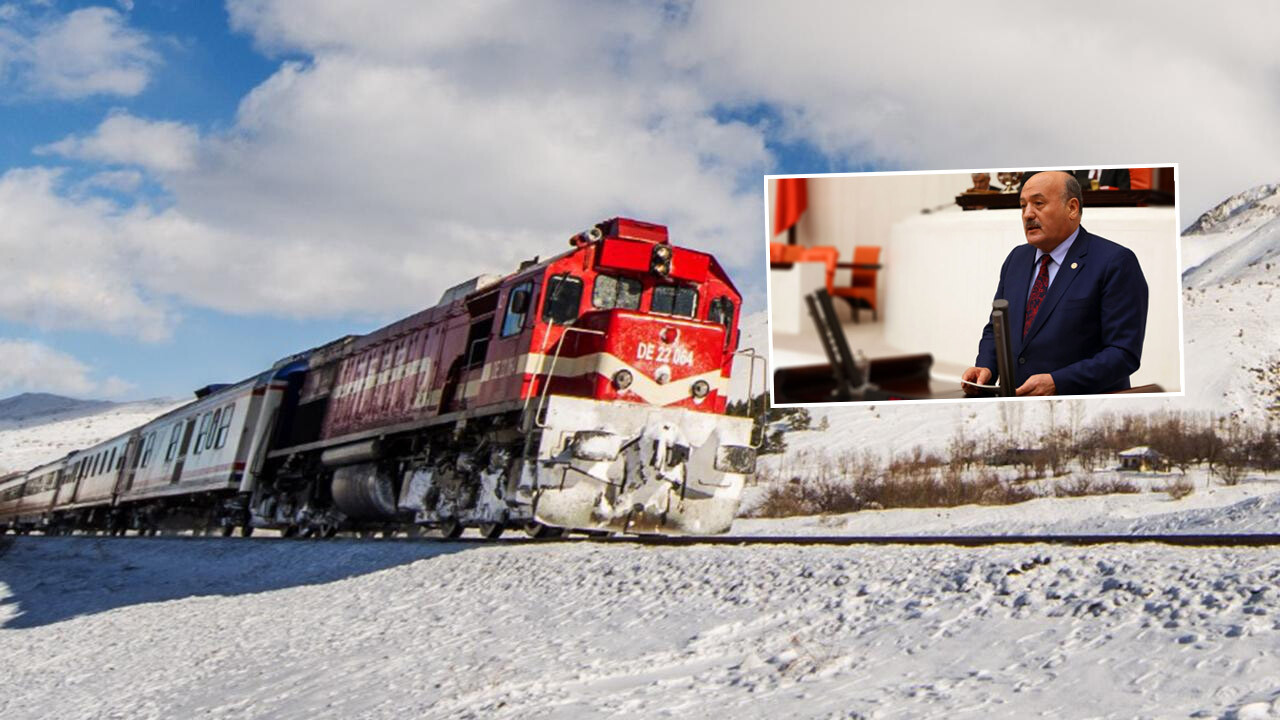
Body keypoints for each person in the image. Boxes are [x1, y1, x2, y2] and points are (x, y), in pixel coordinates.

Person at [961, 171, 1147, 396]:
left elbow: (1123, 353)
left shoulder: (1114, 262)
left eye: (1038, 203)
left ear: (1072, 208)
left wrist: (1058, 382)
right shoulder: (1016, 260)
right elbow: (997, 328)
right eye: (1023, 206)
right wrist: (986, 367)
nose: (1028, 214)